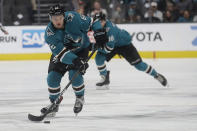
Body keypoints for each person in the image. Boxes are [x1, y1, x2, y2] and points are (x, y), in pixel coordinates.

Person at [92, 12, 168, 90]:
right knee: (99, 58)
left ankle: (156, 75)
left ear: (105, 20)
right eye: (96, 22)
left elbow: (109, 49)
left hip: (125, 45)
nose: (98, 24)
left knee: (139, 65)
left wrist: (97, 47)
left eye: (100, 21)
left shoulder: (111, 29)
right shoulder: (96, 26)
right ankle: (105, 78)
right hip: (114, 44)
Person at [41, 4, 92, 116]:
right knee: (52, 77)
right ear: (50, 18)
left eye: (59, 18)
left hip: (80, 50)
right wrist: (76, 61)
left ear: (64, 16)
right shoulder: (49, 33)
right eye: (54, 19)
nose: (57, 21)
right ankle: (54, 104)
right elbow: (61, 53)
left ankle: (80, 98)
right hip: (62, 53)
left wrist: (99, 34)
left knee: (74, 75)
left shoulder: (74, 17)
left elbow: (92, 23)